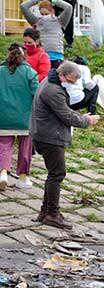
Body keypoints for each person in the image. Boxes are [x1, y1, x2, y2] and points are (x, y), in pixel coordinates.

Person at [30, 61, 99, 229]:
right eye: (71, 80)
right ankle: (53, 214)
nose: (73, 84)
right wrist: (86, 120)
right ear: (61, 75)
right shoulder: (53, 91)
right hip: (50, 137)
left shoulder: (49, 81)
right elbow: (66, 115)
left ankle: (45, 211)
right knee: (57, 174)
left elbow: (63, 111)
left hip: (43, 133)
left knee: (53, 174)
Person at [0, 43, 39, 191]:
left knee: (3, 146)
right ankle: (23, 178)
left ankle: (3, 173)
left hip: (3, 116)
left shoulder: (0, 71)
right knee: (25, 148)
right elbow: (37, 95)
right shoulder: (30, 73)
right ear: (24, 56)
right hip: (25, 117)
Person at [21, 0, 73, 69]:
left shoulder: (60, 21)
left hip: (57, 58)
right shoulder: (36, 21)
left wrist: (55, 1)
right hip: (42, 57)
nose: (44, 17)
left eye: (46, 14)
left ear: (52, 11)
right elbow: (23, 6)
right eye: (42, 14)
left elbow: (69, 8)